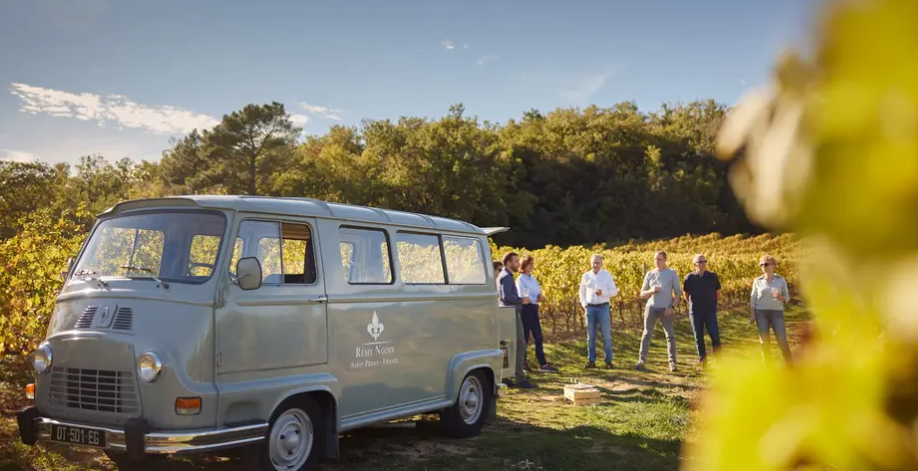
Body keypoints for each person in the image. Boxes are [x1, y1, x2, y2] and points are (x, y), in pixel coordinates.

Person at [636, 251, 682, 372]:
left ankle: (672, 363)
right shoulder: (650, 274)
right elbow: (642, 294)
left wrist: (671, 307)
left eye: (659, 259)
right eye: (655, 259)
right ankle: (641, 360)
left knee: (670, 335)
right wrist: (652, 290)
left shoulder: (672, 273)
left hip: (665, 309)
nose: (657, 261)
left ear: (665, 260)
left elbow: (678, 293)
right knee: (646, 334)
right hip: (650, 308)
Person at [498, 252, 536, 388]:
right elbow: (507, 297)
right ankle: (519, 378)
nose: (518, 264)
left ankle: (506, 376)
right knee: (519, 345)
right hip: (510, 313)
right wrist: (522, 300)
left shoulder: (504, 276)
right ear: (508, 263)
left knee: (508, 346)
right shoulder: (507, 277)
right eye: (515, 261)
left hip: (507, 313)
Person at [516, 255, 558, 373]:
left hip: (534, 308)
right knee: (524, 337)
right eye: (529, 264)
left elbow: (536, 294)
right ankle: (523, 362)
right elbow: (523, 296)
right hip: (526, 309)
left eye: (532, 264)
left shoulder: (533, 279)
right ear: (523, 266)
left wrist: (539, 297)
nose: (531, 266)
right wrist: (533, 297)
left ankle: (542, 363)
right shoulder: (520, 280)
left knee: (538, 336)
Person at [750, 254, 792, 364]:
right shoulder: (757, 281)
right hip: (761, 313)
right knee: (764, 342)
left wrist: (780, 297)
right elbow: (753, 297)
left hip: (776, 313)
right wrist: (752, 314)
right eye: (761, 265)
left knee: (782, 340)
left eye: (766, 264)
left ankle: (791, 366)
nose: (763, 266)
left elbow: (787, 298)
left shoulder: (781, 280)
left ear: (773, 265)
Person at [682, 253, 723, 367]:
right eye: (700, 262)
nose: (703, 264)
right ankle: (703, 362)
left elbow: (718, 294)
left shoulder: (713, 276)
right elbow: (686, 295)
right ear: (695, 264)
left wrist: (712, 303)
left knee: (715, 336)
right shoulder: (689, 278)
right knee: (698, 337)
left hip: (710, 311)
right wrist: (694, 304)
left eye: (705, 261)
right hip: (695, 312)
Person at [579, 254, 618, 369]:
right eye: (594, 263)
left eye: (598, 263)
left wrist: (603, 293)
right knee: (590, 336)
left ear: (601, 264)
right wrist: (584, 304)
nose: (595, 265)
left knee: (606, 336)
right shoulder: (585, 276)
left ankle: (608, 361)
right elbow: (581, 292)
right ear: (590, 263)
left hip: (603, 308)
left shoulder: (606, 275)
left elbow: (614, 291)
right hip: (590, 308)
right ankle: (591, 361)